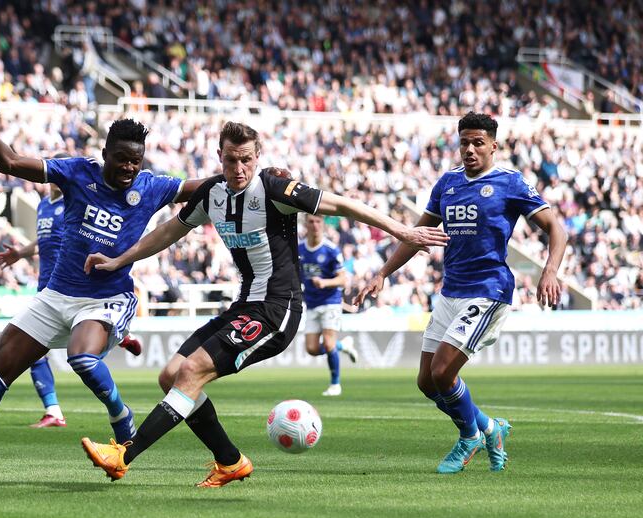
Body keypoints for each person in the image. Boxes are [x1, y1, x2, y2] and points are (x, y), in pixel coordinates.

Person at [79, 121, 449, 487]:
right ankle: (230, 461)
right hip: (244, 306)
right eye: (229, 161)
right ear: (218, 157)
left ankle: (123, 456)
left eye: (245, 160)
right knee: (170, 376)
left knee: (191, 371)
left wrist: (403, 231)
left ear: (257, 158)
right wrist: (119, 260)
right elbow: (167, 232)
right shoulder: (212, 194)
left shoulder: (274, 190)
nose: (238, 170)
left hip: (277, 309)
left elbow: (342, 205)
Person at [0, 81, 204, 487]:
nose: (130, 168)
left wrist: (250, 179)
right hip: (56, 295)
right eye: (123, 159)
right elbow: (9, 162)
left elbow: (202, 186)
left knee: (82, 358)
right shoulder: (77, 172)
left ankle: (121, 416)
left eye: (136, 161)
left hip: (107, 298)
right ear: (105, 154)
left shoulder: (152, 187)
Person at [355, 112, 566, 474]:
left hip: (488, 289)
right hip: (451, 290)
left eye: (478, 142)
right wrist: (383, 272)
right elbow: (416, 235)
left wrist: (550, 270)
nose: (469, 149)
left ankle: (469, 437)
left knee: (442, 371)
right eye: (464, 142)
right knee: (426, 382)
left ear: (493, 146)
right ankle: (489, 427)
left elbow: (555, 227)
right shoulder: (447, 183)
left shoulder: (510, 182)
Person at [0, 173, 144, 428]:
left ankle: (53, 410)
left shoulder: (75, 203)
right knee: (42, 352)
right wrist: (21, 252)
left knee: (45, 354)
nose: (56, 181)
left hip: (69, 285)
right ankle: (119, 337)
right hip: (47, 287)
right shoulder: (43, 205)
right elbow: (44, 240)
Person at [298, 214, 359, 397]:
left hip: (330, 302)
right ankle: (344, 346)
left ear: (323, 225)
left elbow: (343, 279)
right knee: (312, 349)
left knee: (329, 343)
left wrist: (325, 283)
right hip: (311, 303)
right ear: (306, 224)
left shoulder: (331, 250)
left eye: (318, 222)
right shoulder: (299, 249)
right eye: (311, 222)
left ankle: (335, 384)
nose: (315, 225)